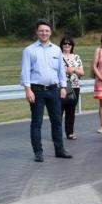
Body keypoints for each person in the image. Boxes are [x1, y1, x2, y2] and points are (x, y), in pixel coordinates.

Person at [19, 19, 72, 162]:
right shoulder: (29, 50)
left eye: (47, 31)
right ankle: (38, 152)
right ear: (37, 32)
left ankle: (59, 150)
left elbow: (61, 70)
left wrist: (63, 87)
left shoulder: (56, 50)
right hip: (37, 91)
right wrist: (28, 90)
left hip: (54, 90)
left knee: (57, 121)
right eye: (41, 30)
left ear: (50, 32)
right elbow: (25, 72)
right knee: (37, 123)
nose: (44, 33)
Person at [60, 36, 84, 140]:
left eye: (69, 43)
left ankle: (70, 132)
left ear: (72, 46)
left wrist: (73, 69)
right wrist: (65, 70)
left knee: (71, 111)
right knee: (58, 111)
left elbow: (82, 73)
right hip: (61, 86)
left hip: (74, 86)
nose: (67, 45)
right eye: (65, 43)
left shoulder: (76, 57)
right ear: (61, 45)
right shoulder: (57, 56)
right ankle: (56, 133)